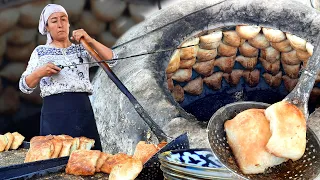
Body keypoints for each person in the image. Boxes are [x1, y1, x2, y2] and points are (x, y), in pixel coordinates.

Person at [19, 4, 116, 151]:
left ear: (69, 23)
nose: (60, 25)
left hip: (82, 109)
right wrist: (40, 72)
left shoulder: (81, 49)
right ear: (46, 27)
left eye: (63, 19)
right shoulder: (41, 52)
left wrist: (89, 40)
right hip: (54, 112)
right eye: (54, 21)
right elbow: (24, 86)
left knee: (88, 159)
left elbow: (112, 60)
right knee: (55, 161)